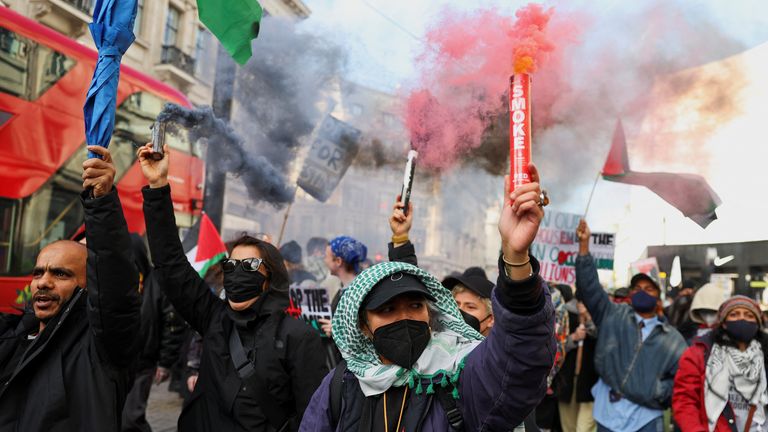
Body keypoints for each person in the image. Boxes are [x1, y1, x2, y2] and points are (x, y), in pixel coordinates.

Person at [300, 164, 556, 431]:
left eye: (415, 305)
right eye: (387, 309)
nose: (405, 317)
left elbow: (518, 364)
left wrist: (515, 258)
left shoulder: (459, 376)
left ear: (430, 313)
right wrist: (400, 239)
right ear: (363, 326)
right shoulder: (341, 386)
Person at [138, 143, 328, 431]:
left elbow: (311, 418)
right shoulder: (213, 318)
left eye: (250, 266)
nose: (237, 272)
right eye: (231, 265)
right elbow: (170, 264)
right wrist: (157, 187)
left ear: (270, 278)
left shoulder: (298, 338)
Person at [0, 146, 140, 430]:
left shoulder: (99, 349)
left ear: (90, 286)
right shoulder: (11, 335)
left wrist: (101, 203)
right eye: (38, 272)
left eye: (60, 274)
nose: (43, 282)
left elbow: (115, 289)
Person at [576, 219, 687, 432]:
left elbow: (682, 380)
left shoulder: (673, 340)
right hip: (607, 414)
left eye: (649, 288)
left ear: (659, 298)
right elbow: (589, 287)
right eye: (636, 288)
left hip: (646, 420)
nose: (642, 291)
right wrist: (584, 247)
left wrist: (657, 391)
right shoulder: (613, 315)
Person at [122, 234, 187, 432]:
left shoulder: (157, 283)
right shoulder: (117, 281)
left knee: (131, 418)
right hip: (116, 361)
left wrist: (165, 362)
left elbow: (172, 325)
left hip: (143, 362)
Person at [673, 296, 768, 431]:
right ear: (723, 322)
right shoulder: (700, 354)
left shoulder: (764, 355)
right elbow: (685, 400)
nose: (742, 319)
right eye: (734, 314)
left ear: (758, 323)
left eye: (749, 315)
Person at [554, 298, 599, 432]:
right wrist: (573, 337)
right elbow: (557, 346)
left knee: (583, 428)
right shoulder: (566, 316)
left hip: (590, 384)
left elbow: (601, 339)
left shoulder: (599, 316)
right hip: (567, 381)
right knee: (568, 427)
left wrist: (588, 318)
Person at [318, 235, 367, 337]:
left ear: (338, 261)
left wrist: (338, 331)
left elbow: (364, 330)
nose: (325, 260)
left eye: (326, 256)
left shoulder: (358, 292)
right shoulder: (345, 288)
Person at [444, 267, 495, 336]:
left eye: (470, 307)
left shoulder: (502, 346)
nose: (459, 311)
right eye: (455, 304)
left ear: (491, 319)